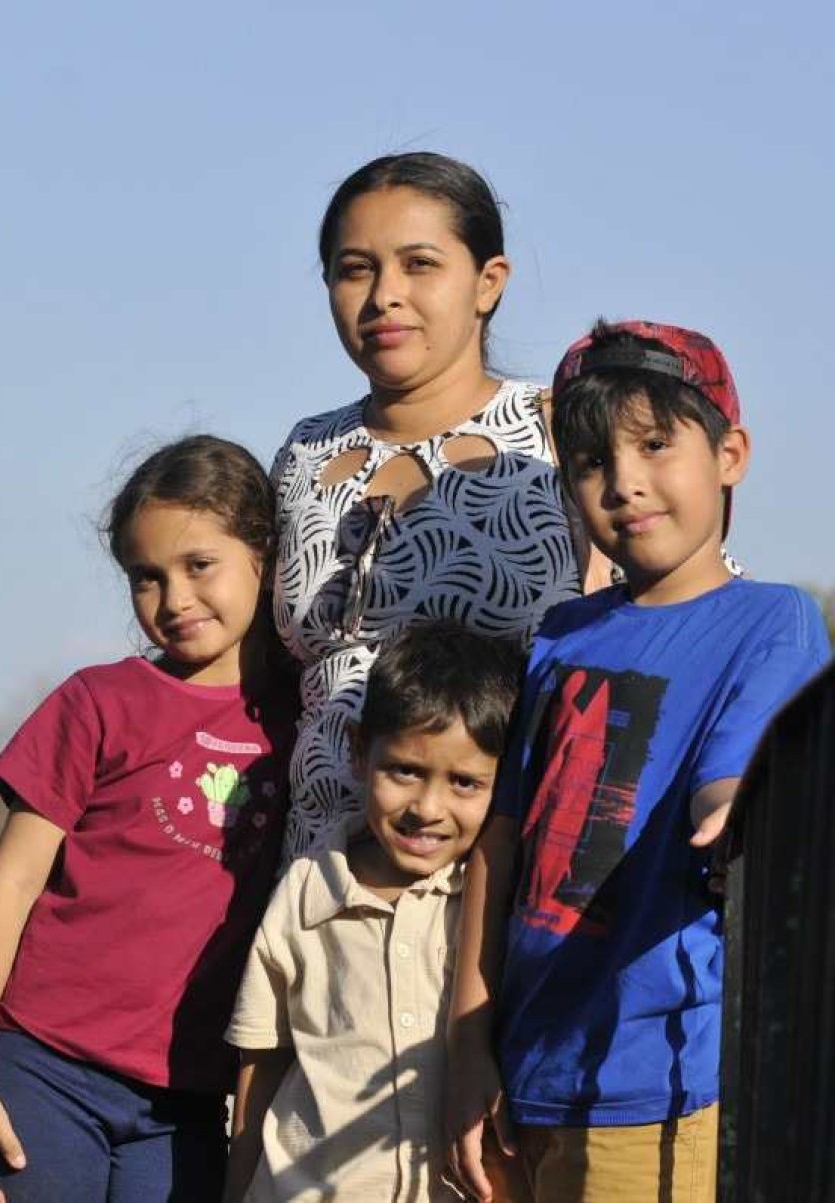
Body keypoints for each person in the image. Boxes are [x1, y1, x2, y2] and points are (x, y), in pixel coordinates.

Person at [444, 321, 832, 1202]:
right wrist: (469, 1043)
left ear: (730, 453)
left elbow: (731, 782)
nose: (623, 482)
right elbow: (500, 846)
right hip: (527, 1077)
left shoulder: (772, 620)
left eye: (656, 444)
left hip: (657, 1084)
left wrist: (743, 815)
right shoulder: (559, 635)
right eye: (589, 461)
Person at [0, 435, 297, 1202]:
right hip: (46, 1064)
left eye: (199, 565)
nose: (173, 599)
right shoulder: (96, 700)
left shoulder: (307, 719)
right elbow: (12, 881)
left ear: (262, 555)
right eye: (146, 577)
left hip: (190, 1095)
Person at [271, 151, 599, 864]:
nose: (385, 294)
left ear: (488, 283)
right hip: (318, 892)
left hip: (506, 887)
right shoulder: (304, 452)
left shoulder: (559, 434)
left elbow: (685, 605)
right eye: (356, 268)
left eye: (419, 264)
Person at [226, 620, 525, 1202]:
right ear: (361, 753)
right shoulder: (307, 890)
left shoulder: (501, 904)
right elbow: (260, 1068)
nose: (427, 808)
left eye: (464, 782)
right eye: (405, 771)